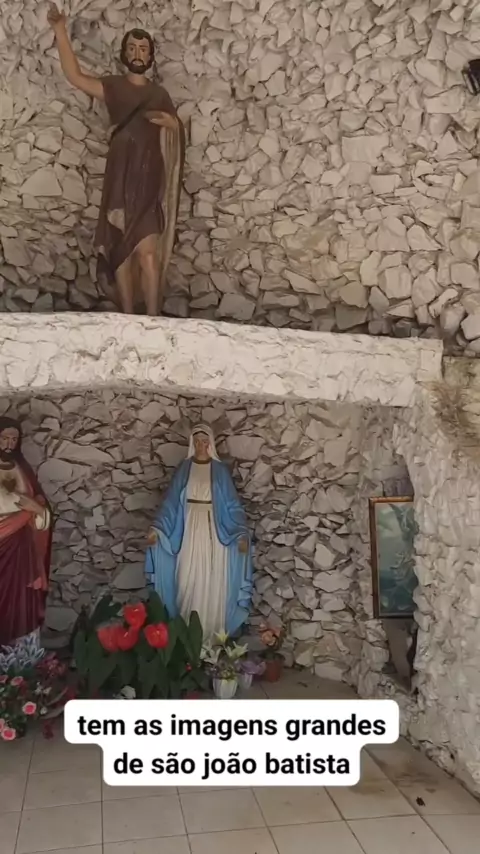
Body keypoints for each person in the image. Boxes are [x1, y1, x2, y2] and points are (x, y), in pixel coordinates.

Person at [47, 4, 185, 316]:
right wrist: (60, 31)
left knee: (148, 252)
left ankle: (153, 318)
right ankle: (127, 316)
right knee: (121, 250)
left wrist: (172, 124)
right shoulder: (114, 86)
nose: (137, 53)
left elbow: (176, 136)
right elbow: (75, 76)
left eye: (143, 49)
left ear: (150, 56)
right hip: (121, 176)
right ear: (124, 53)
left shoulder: (159, 94)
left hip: (148, 180)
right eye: (132, 48)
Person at [145, 426, 253, 639]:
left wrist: (240, 532)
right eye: (197, 440)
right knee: (186, 578)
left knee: (213, 580)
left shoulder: (219, 471)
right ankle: (186, 638)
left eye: (204, 440)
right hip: (187, 530)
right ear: (192, 443)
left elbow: (232, 505)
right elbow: (171, 503)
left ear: (210, 443)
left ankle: (212, 638)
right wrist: (157, 528)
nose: (201, 445)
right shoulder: (185, 469)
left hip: (215, 532)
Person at [0, 418, 52, 649]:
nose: (9, 444)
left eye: (14, 439)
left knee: (20, 599)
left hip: (21, 548)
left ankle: (20, 658)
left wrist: (37, 510)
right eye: (4, 438)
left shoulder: (23, 470)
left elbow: (41, 510)